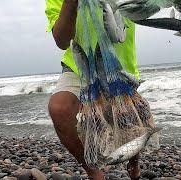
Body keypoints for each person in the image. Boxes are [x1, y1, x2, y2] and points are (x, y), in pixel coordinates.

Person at [45, 0, 142, 179]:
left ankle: (133, 165)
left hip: (120, 64)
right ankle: (94, 173)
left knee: (128, 123)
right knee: (59, 108)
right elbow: (61, 40)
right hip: (81, 63)